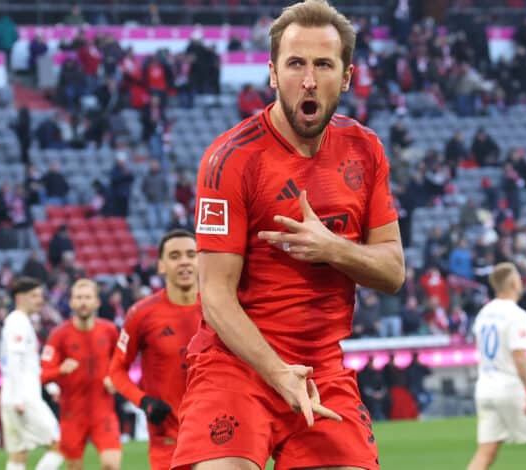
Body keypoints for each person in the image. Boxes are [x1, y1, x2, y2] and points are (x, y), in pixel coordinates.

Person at [171, 1, 405, 468]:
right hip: (235, 367)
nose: (310, 80)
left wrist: (331, 247)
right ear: (274, 73)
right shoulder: (230, 159)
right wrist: (278, 373)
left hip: (324, 371)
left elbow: (393, 271)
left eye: (324, 64)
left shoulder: (366, 149)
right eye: (296, 64)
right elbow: (215, 296)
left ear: (348, 74)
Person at [109, 229, 201, 469]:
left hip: (216, 432)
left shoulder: (220, 308)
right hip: (168, 439)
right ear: (161, 265)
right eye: (174, 255)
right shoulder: (142, 314)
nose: (184, 261)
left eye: (191, 254)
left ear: (201, 260)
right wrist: (144, 401)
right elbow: (116, 370)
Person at [467, 263, 526, 470]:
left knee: (486, 452)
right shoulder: (517, 315)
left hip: (486, 388)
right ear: (515, 283)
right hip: (511, 387)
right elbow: (519, 357)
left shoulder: (484, 313)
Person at [40, 278, 121, 470]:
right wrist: (60, 369)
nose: (83, 302)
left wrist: (115, 378)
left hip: (103, 412)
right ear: (71, 302)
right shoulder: (59, 335)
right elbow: (43, 375)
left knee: (112, 465)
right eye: (79, 298)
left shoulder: (109, 330)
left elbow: (122, 363)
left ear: (97, 302)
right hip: (72, 414)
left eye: (87, 297)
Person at [0, 277, 64, 470]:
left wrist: (50, 386)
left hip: (10, 397)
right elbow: (13, 360)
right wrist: (19, 397)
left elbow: (29, 364)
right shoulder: (18, 322)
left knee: (18, 454)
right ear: (20, 298)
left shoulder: (18, 321)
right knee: (61, 444)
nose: (40, 300)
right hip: (24, 398)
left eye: (41, 295)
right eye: (34, 296)